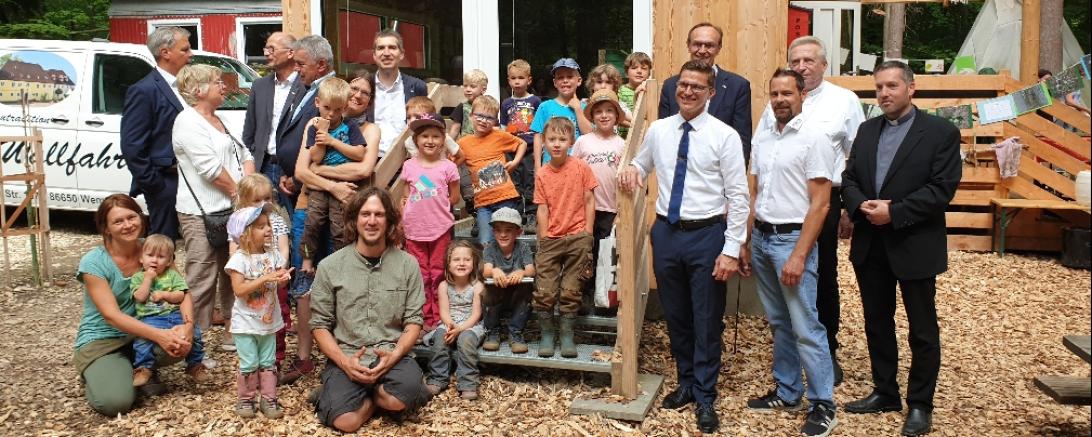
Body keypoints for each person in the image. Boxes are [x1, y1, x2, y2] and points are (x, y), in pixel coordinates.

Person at [619, 60, 749, 434]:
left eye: (697, 86)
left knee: (707, 318)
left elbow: (739, 197)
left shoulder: (724, 136)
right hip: (667, 234)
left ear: (710, 92)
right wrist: (634, 171)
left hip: (707, 235)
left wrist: (730, 248)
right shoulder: (659, 129)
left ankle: (706, 395)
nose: (688, 91)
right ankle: (686, 382)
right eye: (683, 86)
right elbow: (642, 165)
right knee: (677, 315)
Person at [841, 61, 962, 437]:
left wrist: (895, 212)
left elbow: (942, 189)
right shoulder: (867, 129)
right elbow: (849, 178)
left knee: (922, 329)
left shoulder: (940, 132)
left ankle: (920, 405)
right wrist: (861, 204)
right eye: (878, 87)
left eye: (892, 86)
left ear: (912, 88)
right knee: (877, 322)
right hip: (871, 244)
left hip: (913, 242)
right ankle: (885, 391)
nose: (884, 94)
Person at [754, 36, 866, 384]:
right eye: (796, 60)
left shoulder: (844, 101)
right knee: (784, 289)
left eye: (809, 61)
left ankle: (825, 351)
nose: (802, 66)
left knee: (823, 276)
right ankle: (790, 369)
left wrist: (850, 206)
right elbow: (759, 156)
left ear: (823, 65)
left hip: (824, 200)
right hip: (777, 204)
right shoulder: (773, 109)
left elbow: (858, 156)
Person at [742, 69, 838, 437]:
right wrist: (746, 243)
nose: (781, 99)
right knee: (780, 323)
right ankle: (787, 392)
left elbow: (821, 205)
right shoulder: (764, 137)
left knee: (806, 326)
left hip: (791, 242)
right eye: (775, 93)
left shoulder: (814, 138)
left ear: (802, 95)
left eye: (788, 93)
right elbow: (754, 194)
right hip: (764, 240)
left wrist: (800, 255)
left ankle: (822, 403)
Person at [309, 187, 432, 433]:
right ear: (354, 219)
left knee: (400, 399)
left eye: (379, 214)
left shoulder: (408, 265)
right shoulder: (330, 266)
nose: (372, 221)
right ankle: (359, 396)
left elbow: (414, 321)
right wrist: (344, 363)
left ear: (389, 221)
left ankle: (367, 393)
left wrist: (394, 357)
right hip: (347, 355)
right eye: (365, 214)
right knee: (346, 422)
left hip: (391, 355)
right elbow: (319, 325)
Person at [74, 194, 195, 416]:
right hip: (104, 339)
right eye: (118, 221)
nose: (128, 225)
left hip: (144, 330)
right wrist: (160, 336)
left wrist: (187, 326)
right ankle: (100, 371)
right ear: (106, 228)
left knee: (185, 340)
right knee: (115, 403)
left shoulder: (153, 249)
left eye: (132, 217)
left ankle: (140, 366)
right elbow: (112, 316)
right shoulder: (93, 262)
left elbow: (184, 292)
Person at [173, 64, 255, 358]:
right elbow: (209, 169)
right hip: (201, 213)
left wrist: (247, 187)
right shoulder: (187, 121)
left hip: (232, 209)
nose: (224, 85)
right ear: (198, 90)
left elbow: (244, 153)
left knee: (232, 271)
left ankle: (232, 330)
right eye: (217, 82)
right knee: (202, 277)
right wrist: (241, 194)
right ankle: (192, 339)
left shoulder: (219, 119)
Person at [532, 117, 598, 358]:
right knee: (545, 290)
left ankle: (567, 335)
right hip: (551, 238)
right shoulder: (542, 174)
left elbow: (590, 199)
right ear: (545, 143)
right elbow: (542, 207)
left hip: (578, 236)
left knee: (571, 289)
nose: (557, 144)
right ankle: (547, 335)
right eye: (552, 139)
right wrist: (544, 235)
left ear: (571, 141)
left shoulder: (581, 167)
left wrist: (588, 231)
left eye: (562, 139)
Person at [120, 26, 192, 239]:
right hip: (165, 181)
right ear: (165, 52)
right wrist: (155, 185)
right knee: (163, 244)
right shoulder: (144, 90)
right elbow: (132, 145)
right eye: (185, 50)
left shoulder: (185, 86)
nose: (191, 54)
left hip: (191, 179)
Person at [224, 204, 291, 419]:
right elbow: (239, 289)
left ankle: (269, 399)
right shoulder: (239, 260)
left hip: (268, 321)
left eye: (268, 225)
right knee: (250, 362)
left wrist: (282, 280)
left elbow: (277, 284)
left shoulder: (273, 255)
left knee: (268, 362)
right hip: (245, 324)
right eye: (261, 226)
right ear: (245, 234)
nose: (269, 230)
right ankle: (246, 400)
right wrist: (263, 278)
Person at [299, 77, 368, 274]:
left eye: (338, 109)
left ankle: (342, 266)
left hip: (344, 183)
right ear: (317, 103)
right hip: (320, 185)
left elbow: (359, 153)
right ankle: (306, 261)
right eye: (327, 107)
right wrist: (321, 136)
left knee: (340, 227)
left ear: (345, 107)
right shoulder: (314, 127)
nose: (331, 114)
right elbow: (317, 158)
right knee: (312, 222)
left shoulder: (350, 126)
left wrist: (332, 140)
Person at [400, 113, 461, 331]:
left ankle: (439, 316)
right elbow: (407, 195)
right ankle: (424, 318)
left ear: (443, 140)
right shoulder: (409, 166)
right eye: (424, 135)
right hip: (414, 230)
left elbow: (454, 197)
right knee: (420, 275)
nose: (430, 140)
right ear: (416, 139)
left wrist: (438, 205)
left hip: (440, 229)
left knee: (438, 273)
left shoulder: (448, 167)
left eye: (435, 136)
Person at [658, 22, 752, 162]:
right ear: (688, 45)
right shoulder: (671, 85)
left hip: (718, 176)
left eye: (709, 45)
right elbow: (663, 135)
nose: (702, 50)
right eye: (697, 44)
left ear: (719, 48)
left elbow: (741, 140)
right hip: (677, 172)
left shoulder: (737, 86)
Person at [233, 175, 295, 377]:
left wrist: (280, 270)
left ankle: (274, 361)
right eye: (257, 200)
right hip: (250, 283)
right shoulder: (239, 223)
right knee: (251, 320)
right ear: (243, 200)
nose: (264, 204)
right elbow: (233, 253)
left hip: (275, 281)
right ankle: (252, 363)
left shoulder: (275, 220)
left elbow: (284, 248)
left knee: (278, 318)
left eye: (267, 198)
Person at [572, 89, 626, 315]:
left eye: (609, 111)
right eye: (599, 112)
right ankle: (581, 296)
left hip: (609, 208)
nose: (604, 115)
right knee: (584, 252)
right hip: (584, 208)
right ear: (592, 116)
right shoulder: (583, 142)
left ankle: (603, 298)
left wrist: (621, 211)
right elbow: (571, 172)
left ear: (616, 116)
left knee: (606, 254)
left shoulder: (622, 144)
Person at [130, 234, 208, 387]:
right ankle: (144, 368)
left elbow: (181, 295)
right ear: (141, 258)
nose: (154, 260)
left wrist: (165, 295)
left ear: (169, 261)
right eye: (150, 255)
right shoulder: (138, 277)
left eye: (161, 257)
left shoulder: (172, 275)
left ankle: (195, 365)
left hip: (174, 315)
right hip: (150, 318)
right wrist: (148, 279)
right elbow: (140, 297)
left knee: (196, 334)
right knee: (142, 340)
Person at [274, 35, 337, 206]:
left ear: (321, 65)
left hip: (308, 188)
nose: (295, 69)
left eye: (301, 64)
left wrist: (298, 180)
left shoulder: (332, 94)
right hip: (289, 181)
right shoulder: (305, 87)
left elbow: (327, 149)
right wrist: (284, 173)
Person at [457, 95, 528, 245]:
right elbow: (451, 162)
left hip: (505, 198)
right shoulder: (463, 143)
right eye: (480, 115)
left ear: (496, 121)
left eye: (489, 117)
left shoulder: (499, 136)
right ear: (470, 116)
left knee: (507, 241)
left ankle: (508, 268)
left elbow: (521, 143)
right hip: (482, 203)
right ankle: (490, 268)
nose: (484, 120)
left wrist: (514, 162)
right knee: (485, 241)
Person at [242, 31, 298, 214]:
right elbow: (249, 130)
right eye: (266, 48)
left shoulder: (305, 86)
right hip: (264, 166)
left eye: (272, 48)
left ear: (290, 53)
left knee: (297, 223)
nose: (266, 53)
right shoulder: (260, 86)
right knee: (263, 221)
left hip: (292, 171)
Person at [425, 241, 487, 400]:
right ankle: (438, 378)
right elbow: (444, 311)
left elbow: (476, 315)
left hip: (470, 326)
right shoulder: (444, 286)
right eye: (456, 259)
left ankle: (468, 383)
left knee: (466, 341)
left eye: (466, 260)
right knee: (440, 338)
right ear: (448, 263)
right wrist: (451, 326)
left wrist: (460, 329)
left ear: (473, 263)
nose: (461, 263)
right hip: (449, 322)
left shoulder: (477, 286)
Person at [481, 207, 536, 353]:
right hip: (497, 296)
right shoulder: (490, 248)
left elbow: (531, 270)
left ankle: (515, 332)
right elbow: (486, 271)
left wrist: (521, 272)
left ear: (518, 232)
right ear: (493, 232)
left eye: (508, 230)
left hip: (516, 296)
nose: (503, 234)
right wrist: (494, 270)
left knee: (528, 290)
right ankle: (492, 332)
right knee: (486, 291)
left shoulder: (523, 247)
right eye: (498, 230)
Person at [372, 29, 429, 157]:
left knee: (427, 178)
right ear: (374, 55)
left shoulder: (417, 87)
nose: (386, 53)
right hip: (370, 162)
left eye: (392, 47)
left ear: (402, 54)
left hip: (408, 161)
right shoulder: (364, 86)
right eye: (381, 48)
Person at [500, 59, 542, 232]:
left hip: (531, 148)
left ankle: (532, 215)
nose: (517, 82)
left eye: (521, 78)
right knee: (515, 181)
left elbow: (540, 125)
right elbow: (503, 127)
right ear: (508, 80)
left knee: (530, 180)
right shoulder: (506, 103)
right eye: (513, 78)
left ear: (529, 80)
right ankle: (516, 214)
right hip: (512, 148)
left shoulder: (535, 101)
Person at [530, 58, 594, 171]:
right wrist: (537, 167)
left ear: (579, 81)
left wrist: (578, 109)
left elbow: (589, 135)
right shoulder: (545, 107)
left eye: (570, 77)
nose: (565, 80)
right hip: (550, 167)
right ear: (555, 82)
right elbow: (538, 138)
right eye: (560, 77)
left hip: (577, 167)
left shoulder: (585, 108)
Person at [618, 52, 652, 138]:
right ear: (626, 73)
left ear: (649, 74)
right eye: (634, 68)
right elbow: (618, 116)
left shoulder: (650, 91)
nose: (639, 71)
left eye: (644, 68)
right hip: (624, 138)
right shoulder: (620, 91)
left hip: (644, 137)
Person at [449, 69, 490, 139]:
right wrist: (448, 147)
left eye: (472, 86)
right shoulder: (462, 107)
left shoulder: (489, 107)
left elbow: (495, 128)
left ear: (483, 89)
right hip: (465, 146)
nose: (468, 89)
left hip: (485, 145)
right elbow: (455, 130)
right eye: (465, 86)